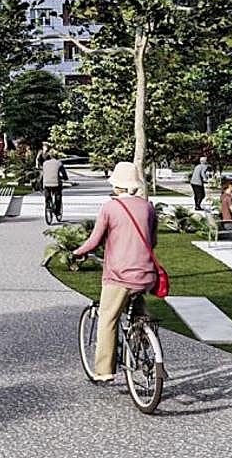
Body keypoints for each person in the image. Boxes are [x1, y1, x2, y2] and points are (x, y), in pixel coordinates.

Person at [72, 161, 158, 383]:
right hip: (147, 273)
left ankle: (104, 371)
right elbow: (153, 240)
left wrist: (77, 252)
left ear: (116, 185)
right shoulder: (147, 207)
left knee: (108, 318)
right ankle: (145, 338)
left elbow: (95, 240)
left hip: (120, 275)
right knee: (137, 307)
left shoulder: (110, 208)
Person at [41, 152, 68, 220]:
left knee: (47, 196)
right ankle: (57, 211)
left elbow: (43, 173)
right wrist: (65, 178)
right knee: (58, 196)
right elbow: (64, 173)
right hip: (56, 184)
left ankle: (48, 204)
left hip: (46, 183)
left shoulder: (45, 163)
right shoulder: (59, 163)